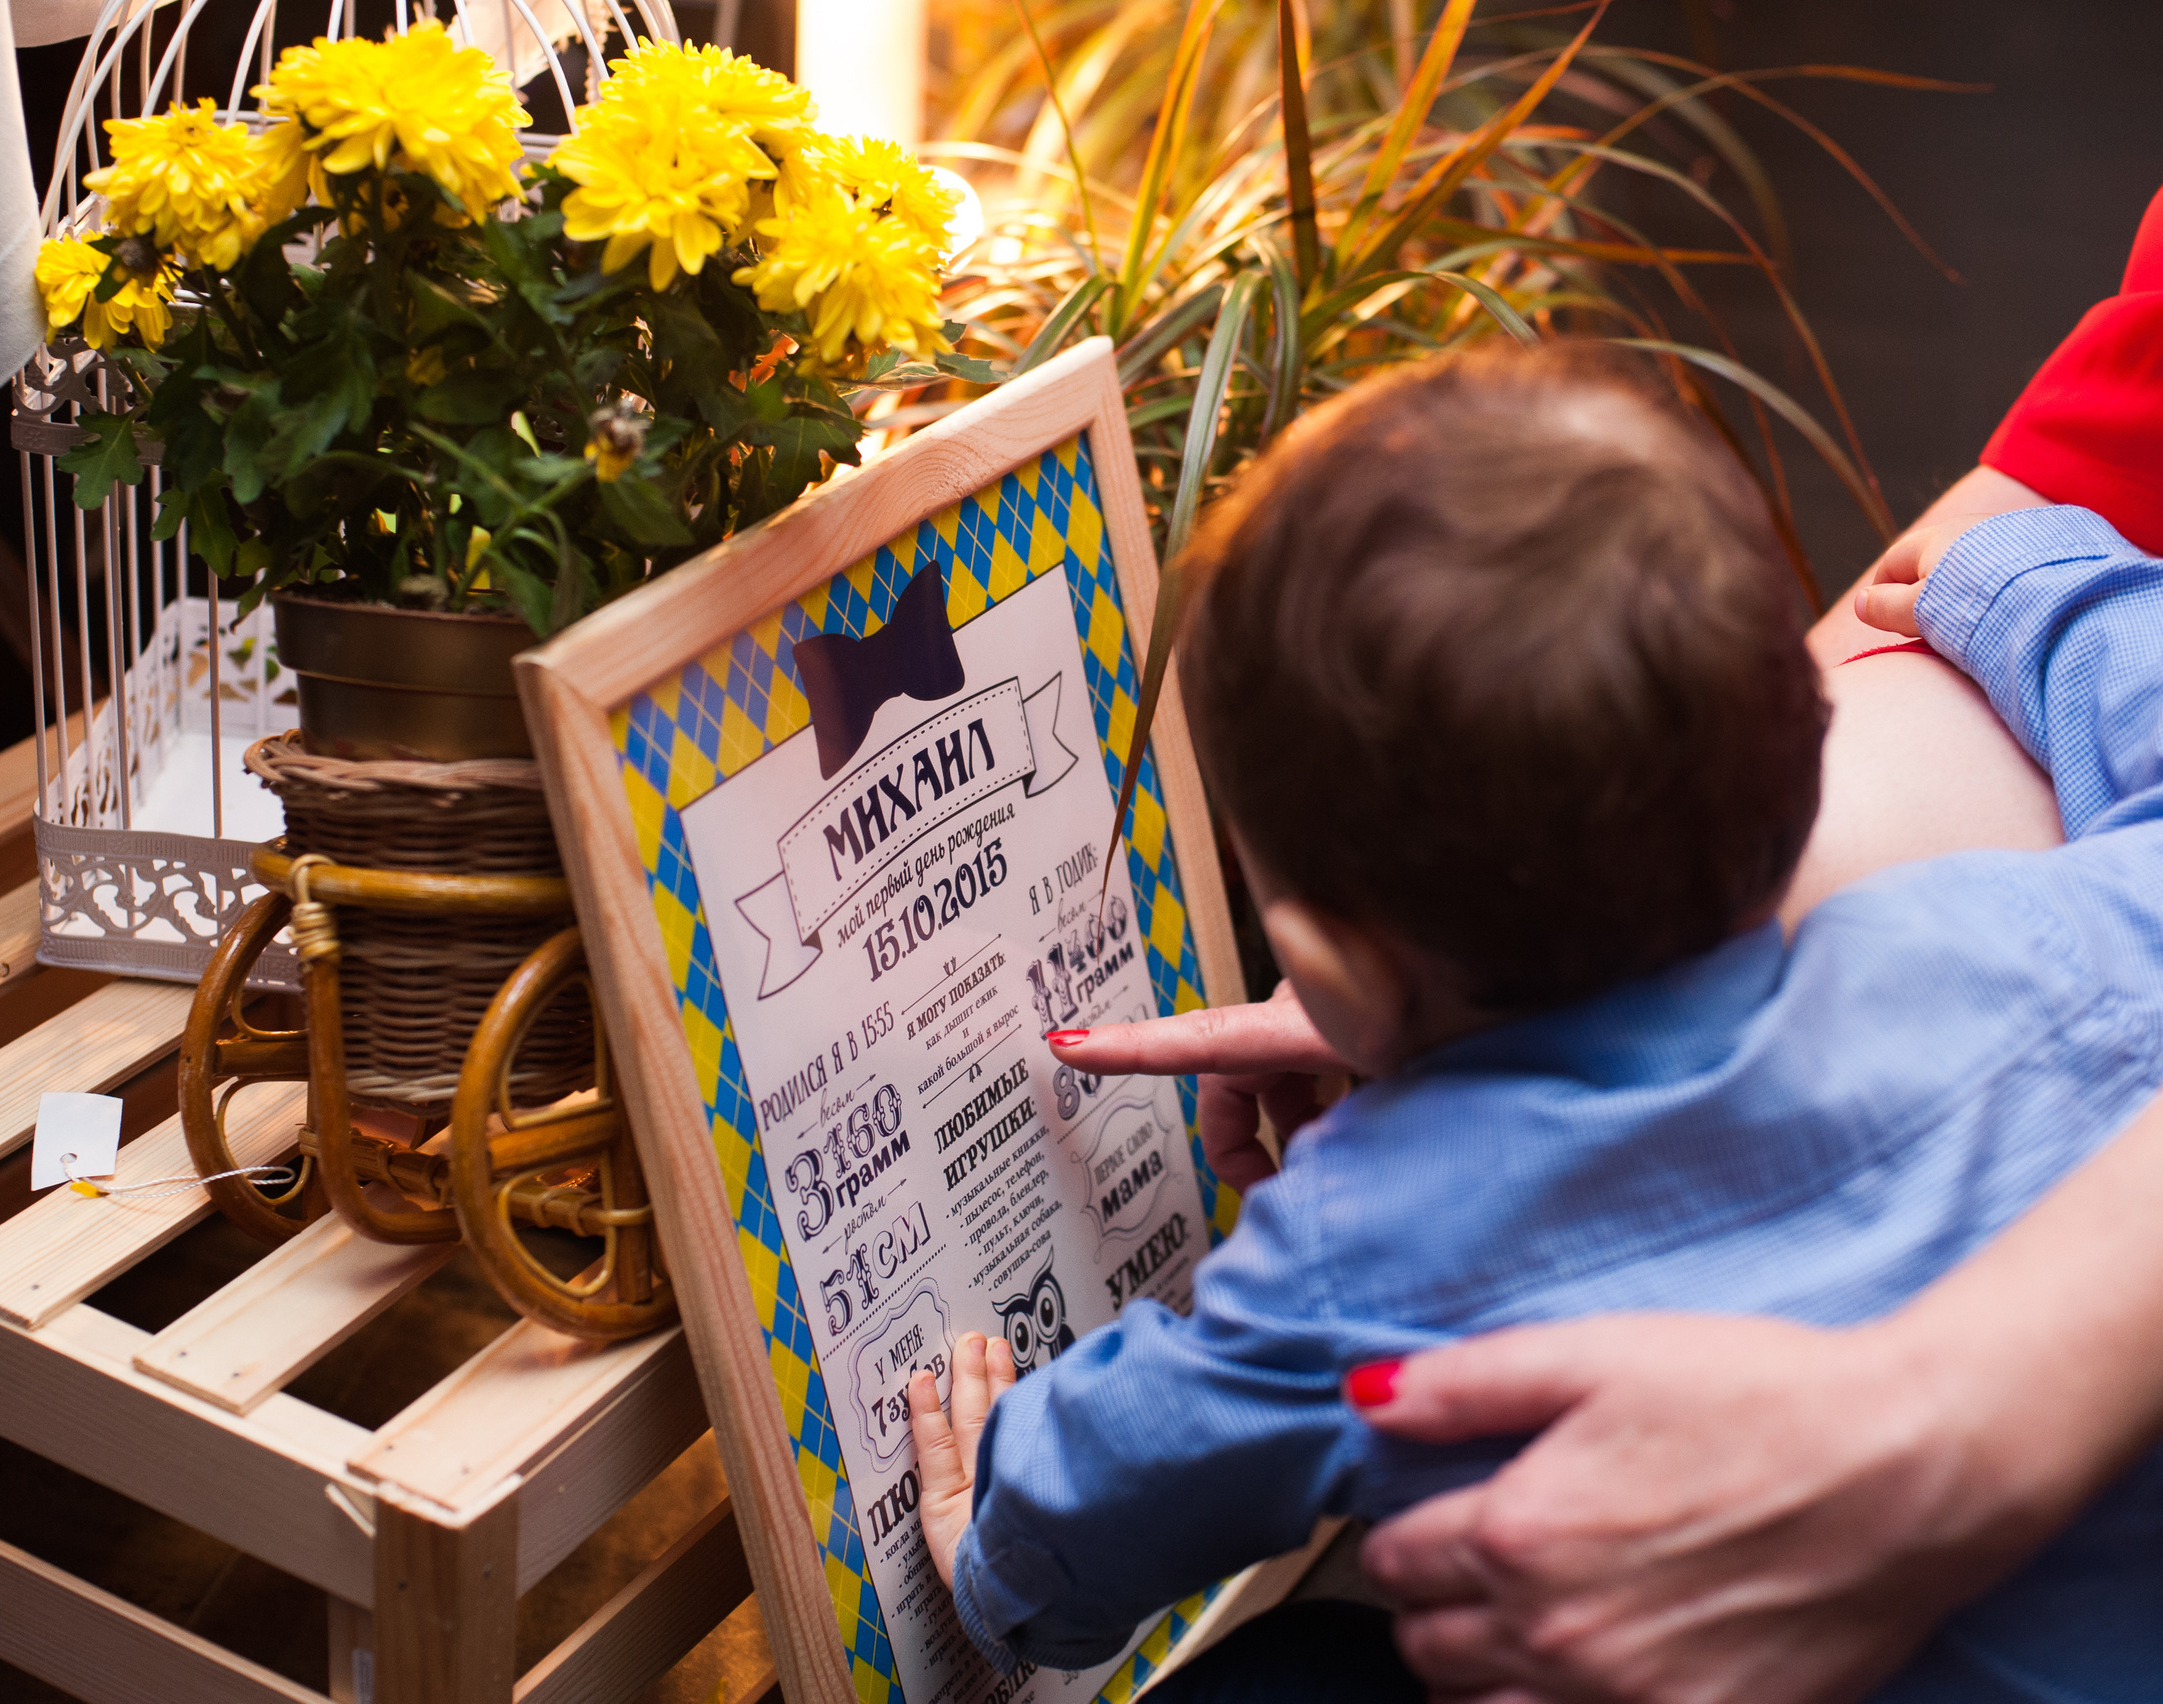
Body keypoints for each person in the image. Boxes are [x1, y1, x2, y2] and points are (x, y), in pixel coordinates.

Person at [907, 338, 2163, 1701]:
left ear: (1324, 956)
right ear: (1815, 748)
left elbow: (1106, 1496)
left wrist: (998, 1533)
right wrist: (2028, 583)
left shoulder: (1361, 1246)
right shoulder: (2054, 936)